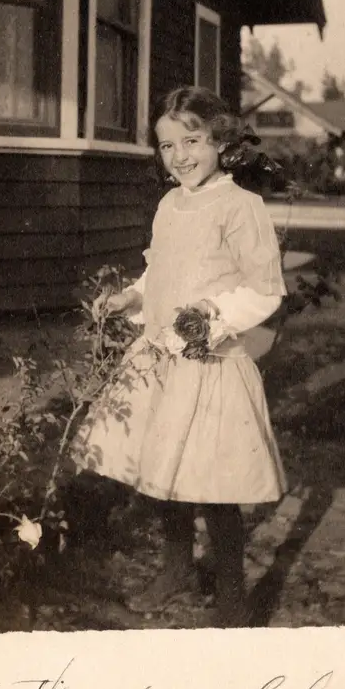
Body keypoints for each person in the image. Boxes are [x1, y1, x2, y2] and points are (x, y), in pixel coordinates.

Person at [73, 86, 288, 625]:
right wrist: (133, 295)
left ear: (219, 140)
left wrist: (209, 321)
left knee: (213, 485)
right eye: (166, 147)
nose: (179, 157)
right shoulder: (171, 204)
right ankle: (176, 569)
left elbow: (265, 290)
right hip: (160, 361)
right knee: (164, 471)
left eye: (190, 141)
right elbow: (162, 270)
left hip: (210, 364)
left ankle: (232, 596)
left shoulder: (243, 207)